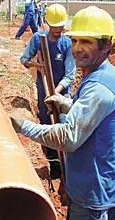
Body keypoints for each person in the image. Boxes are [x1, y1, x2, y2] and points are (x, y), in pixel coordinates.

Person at [9, 6, 115, 220]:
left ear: (107, 44)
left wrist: (24, 127)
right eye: (75, 41)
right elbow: (89, 120)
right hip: (84, 186)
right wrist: (68, 105)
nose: (77, 49)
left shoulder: (101, 86)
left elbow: (69, 137)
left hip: (96, 192)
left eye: (86, 42)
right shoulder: (97, 75)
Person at [19, 3, 76, 179]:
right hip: (43, 93)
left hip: (62, 94)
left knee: (63, 127)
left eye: (61, 26)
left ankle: (69, 167)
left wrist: (56, 93)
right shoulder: (38, 39)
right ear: (48, 23)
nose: (58, 29)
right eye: (55, 25)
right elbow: (24, 60)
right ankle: (54, 164)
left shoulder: (67, 44)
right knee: (46, 126)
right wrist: (39, 65)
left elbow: (70, 75)